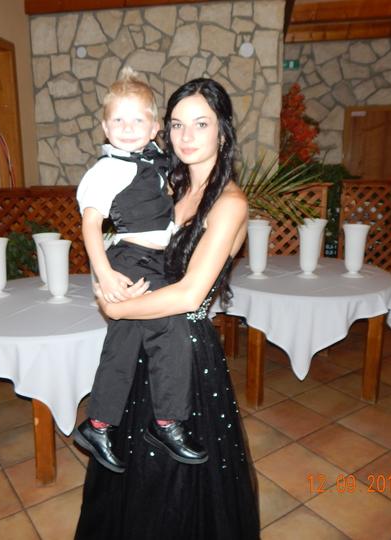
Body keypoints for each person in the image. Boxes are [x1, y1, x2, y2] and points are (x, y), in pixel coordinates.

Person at [75, 78, 260, 540]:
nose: (186, 136)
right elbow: (122, 239)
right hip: (144, 344)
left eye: (201, 124)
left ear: (223, 132)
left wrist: (118, 310)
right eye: (177, 124)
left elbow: (189, 295)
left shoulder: (230, 203)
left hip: (184, 353)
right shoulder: (168, 187)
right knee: (134, 477)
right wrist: (109, 279)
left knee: (176, 485)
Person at [74, 67, 208, 474]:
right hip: (130, 260)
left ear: (154, 128)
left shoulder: (157, 163)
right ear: (104, 127)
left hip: (153, 259)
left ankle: (98, 425)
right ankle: (167, 421)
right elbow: (90, 225)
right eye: (118, 120)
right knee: (172, 331)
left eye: (137, 120)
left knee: (124, 343)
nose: (128, 128)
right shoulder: (106, 170)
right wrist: (104, 274)